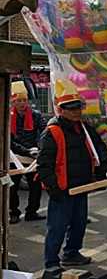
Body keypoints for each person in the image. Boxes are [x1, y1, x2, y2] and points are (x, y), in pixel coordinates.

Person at [37, 79, 107, 269]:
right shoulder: (51, 132)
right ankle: (51, 263)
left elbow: (99, 146)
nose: (76, 112)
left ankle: (72, 253)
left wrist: (104, 164)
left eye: (78, 108)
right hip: (62, 187)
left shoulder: (84, 127)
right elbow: (44, 163)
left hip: (81, 185)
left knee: (79, 223)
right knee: (57, 228)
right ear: (61, 109)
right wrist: (52, 186)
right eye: (71, 108)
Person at [9, 81, 48, 224]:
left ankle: (32, 211)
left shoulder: (36, 115)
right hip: (14, 156)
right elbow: (10, 140)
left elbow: (45, 132)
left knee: (36, 187)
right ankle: (14, 212)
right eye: (19, 100)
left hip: (33, 155)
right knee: (12, 187)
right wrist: (27, 150)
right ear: (13, 101)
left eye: (24, 100)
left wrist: (40, 148)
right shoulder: (8, 116)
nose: (22, 103)